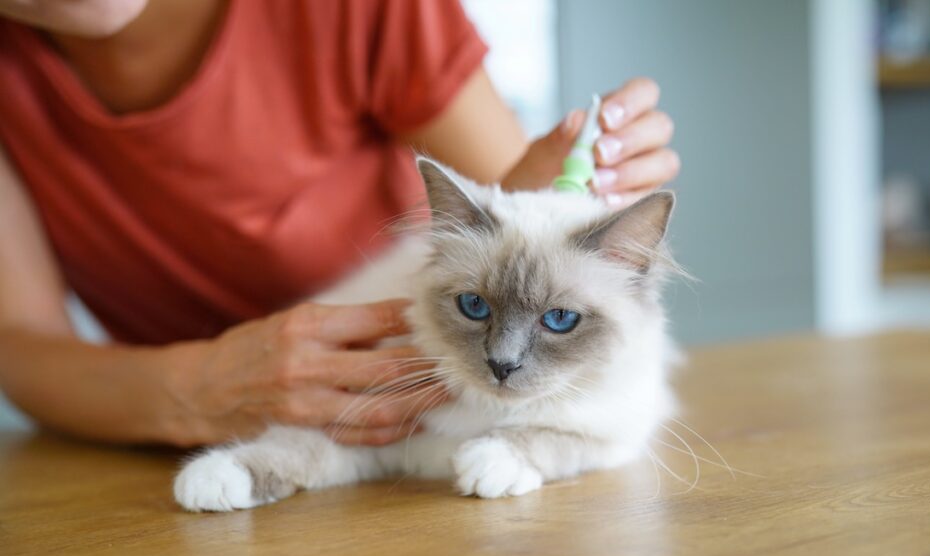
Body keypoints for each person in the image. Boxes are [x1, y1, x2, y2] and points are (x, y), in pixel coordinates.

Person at [0, 0, 680, 448]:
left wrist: (559, 192)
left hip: (408, 421)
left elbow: (517, 218)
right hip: (158, 444)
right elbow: (20, 344)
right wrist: (198, 390)